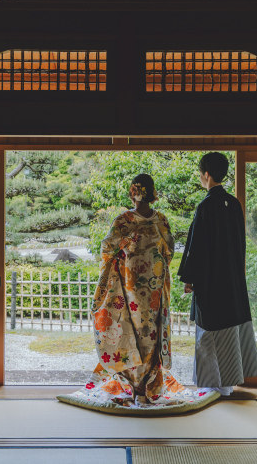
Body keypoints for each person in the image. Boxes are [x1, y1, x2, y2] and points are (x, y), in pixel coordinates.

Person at [58, 174, 217, 412]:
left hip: (132, 284)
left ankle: (139, 385)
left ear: (133, 192)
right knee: (148, 331)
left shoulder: (124, 220)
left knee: (135, 330)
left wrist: (124, 257)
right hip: (151, 284)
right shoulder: (160, 220)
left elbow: (107, 250)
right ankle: (142, 385)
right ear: (152, 192)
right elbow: (169, 252)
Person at [178, 152, 257, 396]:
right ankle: (227, 385)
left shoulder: (206, 206)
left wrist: (190, 278)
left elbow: (197, 246)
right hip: (232, 278)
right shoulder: (233, 204)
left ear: (206, 175)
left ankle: (211, 385)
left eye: (201, 173)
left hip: (211, 281)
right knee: (230, 329)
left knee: (210, 331)